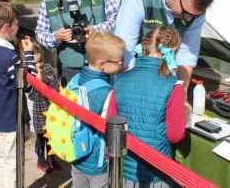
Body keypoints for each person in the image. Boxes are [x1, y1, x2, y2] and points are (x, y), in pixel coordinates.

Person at [114, 0, 214, 109]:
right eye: (186, 13)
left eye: (195, 15)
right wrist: (134, 95)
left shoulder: (195, 10)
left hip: (164, 78)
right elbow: (125, 51)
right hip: (133, 74)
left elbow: (187, 54)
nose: (189, 19)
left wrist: (181, 96)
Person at [112, 26, 187, 187]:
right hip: (157, 171)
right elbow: (175, 135)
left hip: (125, 169)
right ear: (173, 51)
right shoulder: (173, 85)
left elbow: (111, 122)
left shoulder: (119, 79)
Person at [35, 0, 118, 85]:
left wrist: (96, 31)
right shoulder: (49, 1)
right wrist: (56, 37)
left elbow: (117, 20)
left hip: (103, 64)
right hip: (69, 69)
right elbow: (40, 34)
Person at [0, 1, 35, 188]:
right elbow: (29, 84)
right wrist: (28, 55)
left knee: (3, 159)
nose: (18, 29)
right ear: (6, 28)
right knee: (12, 162)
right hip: (11, 118)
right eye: (16, 25)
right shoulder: (8, 56)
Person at [68, 31, 125, 188]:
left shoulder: (76, 79)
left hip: (76, 153)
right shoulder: (105, 91)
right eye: (120, 61)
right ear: (102, 64)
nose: (123, 64)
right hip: (97, 164)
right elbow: (111, 128)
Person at [21, 41, 59, 172]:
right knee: (40, 139)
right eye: (35, 63)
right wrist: (38, 76)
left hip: (50, 110)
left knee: (51, 136)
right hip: (37, 113)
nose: (38, 65)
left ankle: (51, 158)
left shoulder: (47, 68)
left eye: (40, 61)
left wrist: (43, 75)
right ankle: (40, 159)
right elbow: (33, 95)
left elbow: (54, 86)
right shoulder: (27, 75)